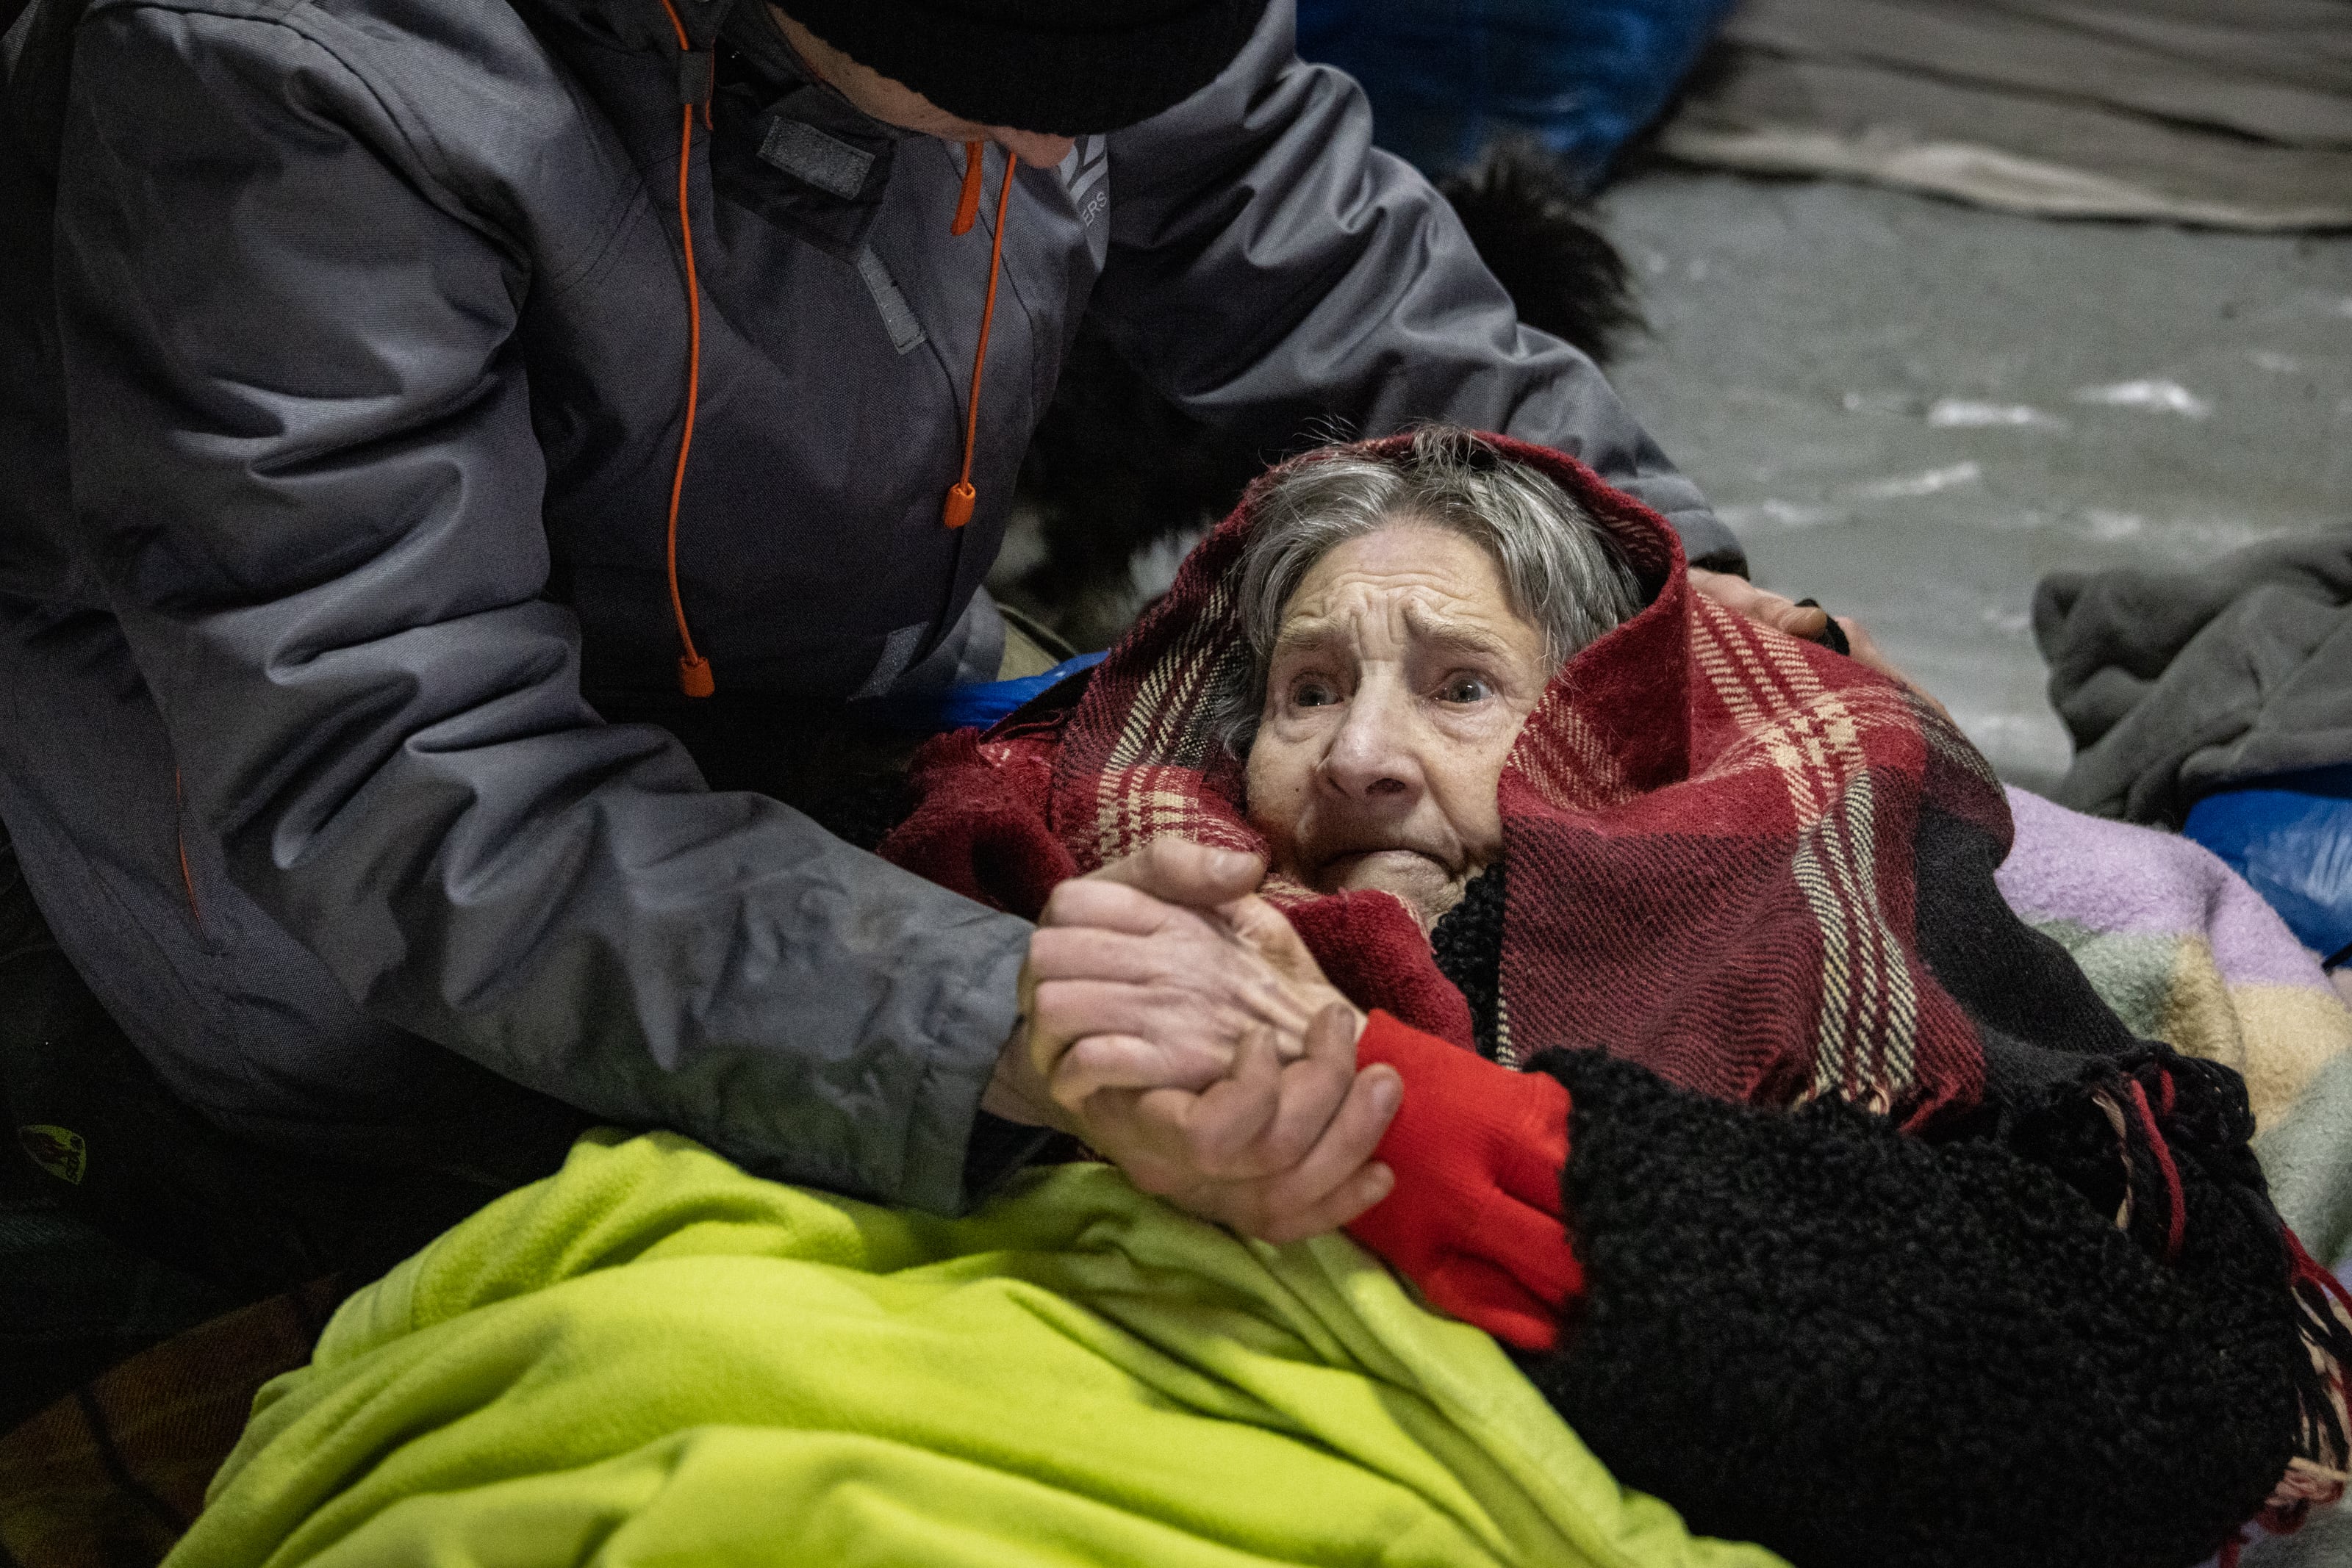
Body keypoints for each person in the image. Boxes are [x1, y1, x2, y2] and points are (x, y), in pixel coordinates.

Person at [0, 0, 1880, 1277]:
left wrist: (1654, 579)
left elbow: (1286, 222)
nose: (1061, 155)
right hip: (310, 874)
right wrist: (979, 1013)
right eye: (984, 108)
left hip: (826, 684)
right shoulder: (286, 76)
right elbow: (399, 765)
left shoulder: (1061, 63)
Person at [883, 427, 2352, 1568]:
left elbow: (2139, 1395)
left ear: (1602, 727)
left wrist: (1390, 1108)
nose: (1358, 755)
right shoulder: (1079, 903)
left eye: (1462, 687)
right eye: (1309, 689)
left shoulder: (1796, 917)